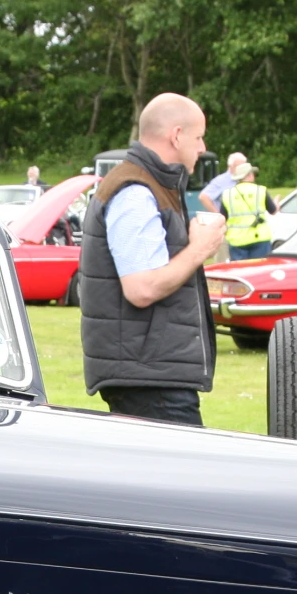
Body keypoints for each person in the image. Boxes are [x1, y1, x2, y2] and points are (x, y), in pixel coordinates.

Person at [77, 92, 225, 426]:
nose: (202, 148)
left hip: (150, 375)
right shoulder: (135, 192)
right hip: (149, 380)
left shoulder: (150, 185)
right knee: (183, 477)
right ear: (176, 135)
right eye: (199, 137)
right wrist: (200, 248)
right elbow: (141, 288)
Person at [221, 160, 274, 259]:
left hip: (237, 240)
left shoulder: (227, 194)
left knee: (240, 271)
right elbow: (273, 211)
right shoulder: (261, 190)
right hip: (260, 238)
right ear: (249, 175)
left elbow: (222, 218)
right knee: (260, 270)